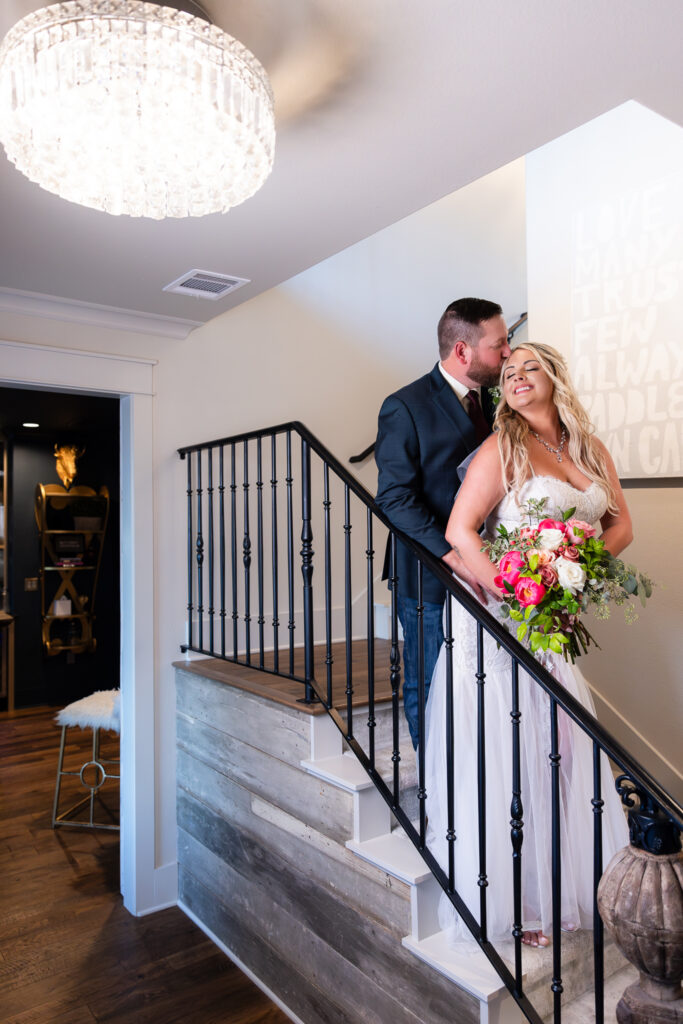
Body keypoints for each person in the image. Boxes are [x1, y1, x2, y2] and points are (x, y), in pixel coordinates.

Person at [424, 342, 631, 948]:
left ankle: (567, 883)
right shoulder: (503, 447)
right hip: (499, 613)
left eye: (528, 368)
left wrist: (578, 573)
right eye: (507, 372)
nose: (515, 378)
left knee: (562, 747)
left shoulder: (589, 449)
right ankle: (517, 900)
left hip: (552, 615)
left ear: (555, 378)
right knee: (514, 747)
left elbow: (620, 524)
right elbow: (459, 531)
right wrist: (520, 593)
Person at [375, 298, 511, 749]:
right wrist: (454, 557)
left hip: (492, 571)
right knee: (427, 683)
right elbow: (394, 498)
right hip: (429, 574)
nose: (508, 353)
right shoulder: (404, 406)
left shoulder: (502, 401)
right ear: (462, 350)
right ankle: (436, 802)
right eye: (500, 344)